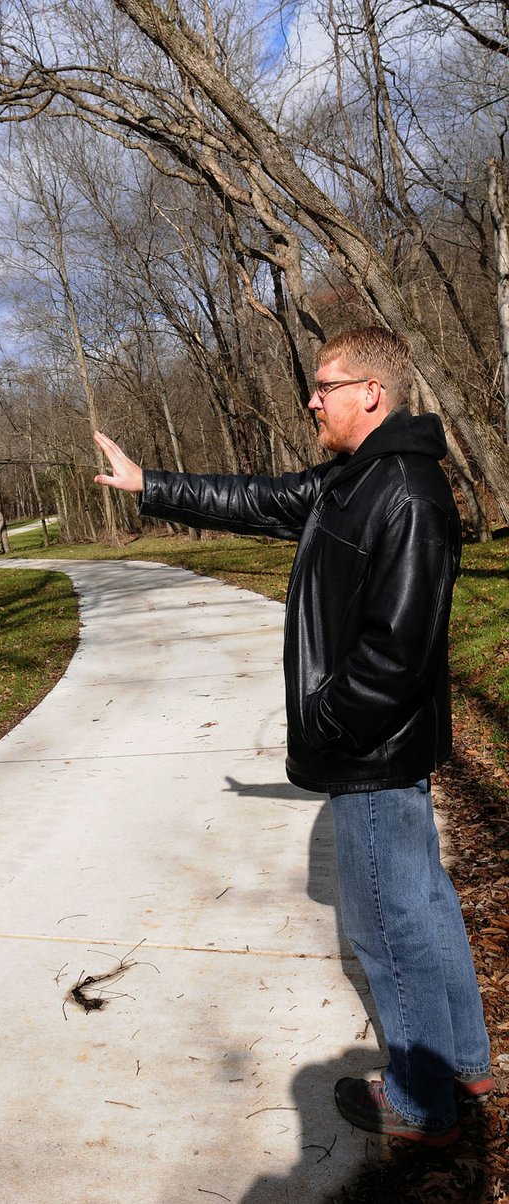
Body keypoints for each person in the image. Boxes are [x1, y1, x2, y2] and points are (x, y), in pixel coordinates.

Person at [93, 326, 492, 1147]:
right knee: (424, 905)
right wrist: (150, 484)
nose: (311, 399)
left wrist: (326, 723)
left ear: (371, 394)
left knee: (389, 925)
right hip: (381, 747)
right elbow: (264, 499)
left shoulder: (407, 494)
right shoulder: (358, 478)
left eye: (325, 385)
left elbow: (395, 653)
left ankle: (422, 1100)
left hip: (372, 753)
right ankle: (465, 1061)